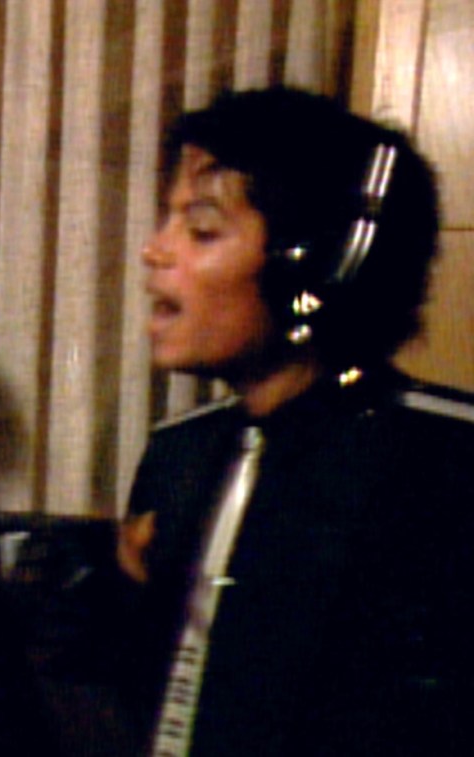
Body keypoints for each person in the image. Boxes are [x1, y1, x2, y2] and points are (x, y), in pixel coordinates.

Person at [115, 87, 474, 754]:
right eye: (167, 220)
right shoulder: (178, 454)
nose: (154, 251)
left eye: (202, 230)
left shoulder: (443, 462)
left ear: (317, 265)